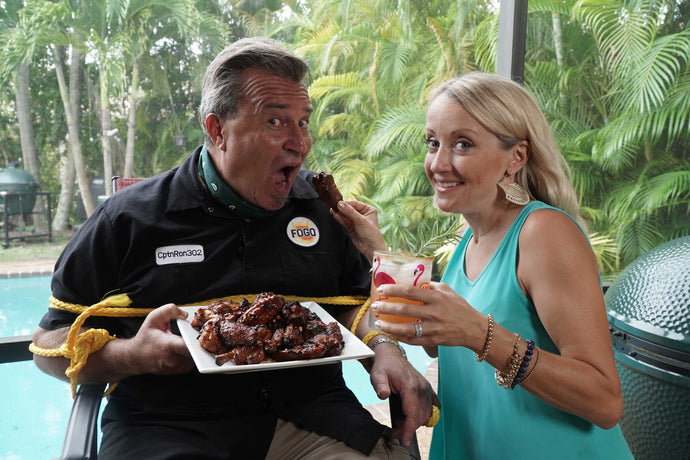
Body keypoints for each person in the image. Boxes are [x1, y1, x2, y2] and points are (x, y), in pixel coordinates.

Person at [31, 37, 437, 460]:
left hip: (312, 415)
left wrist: (386, 349)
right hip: (168, 423)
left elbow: (353, 304)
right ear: (217, 130)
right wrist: (131, 356)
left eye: (303, 122)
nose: (299, 142)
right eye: (276, 123)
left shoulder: (322, 210)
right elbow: (49, 344)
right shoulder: (126, 219)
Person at [333, 72, 634, 459]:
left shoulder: (543, 233)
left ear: (516, 157)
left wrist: (480, 334)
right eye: (433, 142)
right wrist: (376, 250)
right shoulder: (469, 239)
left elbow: (604, 400)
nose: (438, 163)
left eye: (463, 144)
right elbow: (451, 346)